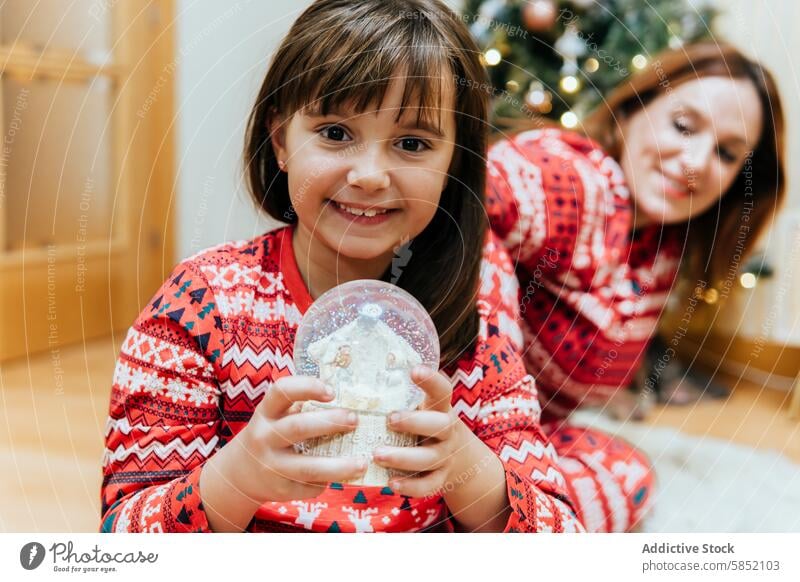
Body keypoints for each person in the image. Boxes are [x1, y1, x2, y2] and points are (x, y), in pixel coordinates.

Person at [99, 0, 586, 534]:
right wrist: (236, 478)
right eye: (335, 132)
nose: (370, 175)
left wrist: (469, 472)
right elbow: (122, 539)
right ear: (282, 139)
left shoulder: (476, 332)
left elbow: (564, 538)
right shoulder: (201, 306)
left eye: (412, 143)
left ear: (453, 165)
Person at [486, 42, 786, 527]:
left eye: (727, 154)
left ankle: (483, 513)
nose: (696, 161)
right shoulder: (578, 180)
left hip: (520, 447)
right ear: (629, 113)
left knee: (630, 475)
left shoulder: (661, 253)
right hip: (443, 414)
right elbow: (462, 203)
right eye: (684, 125)